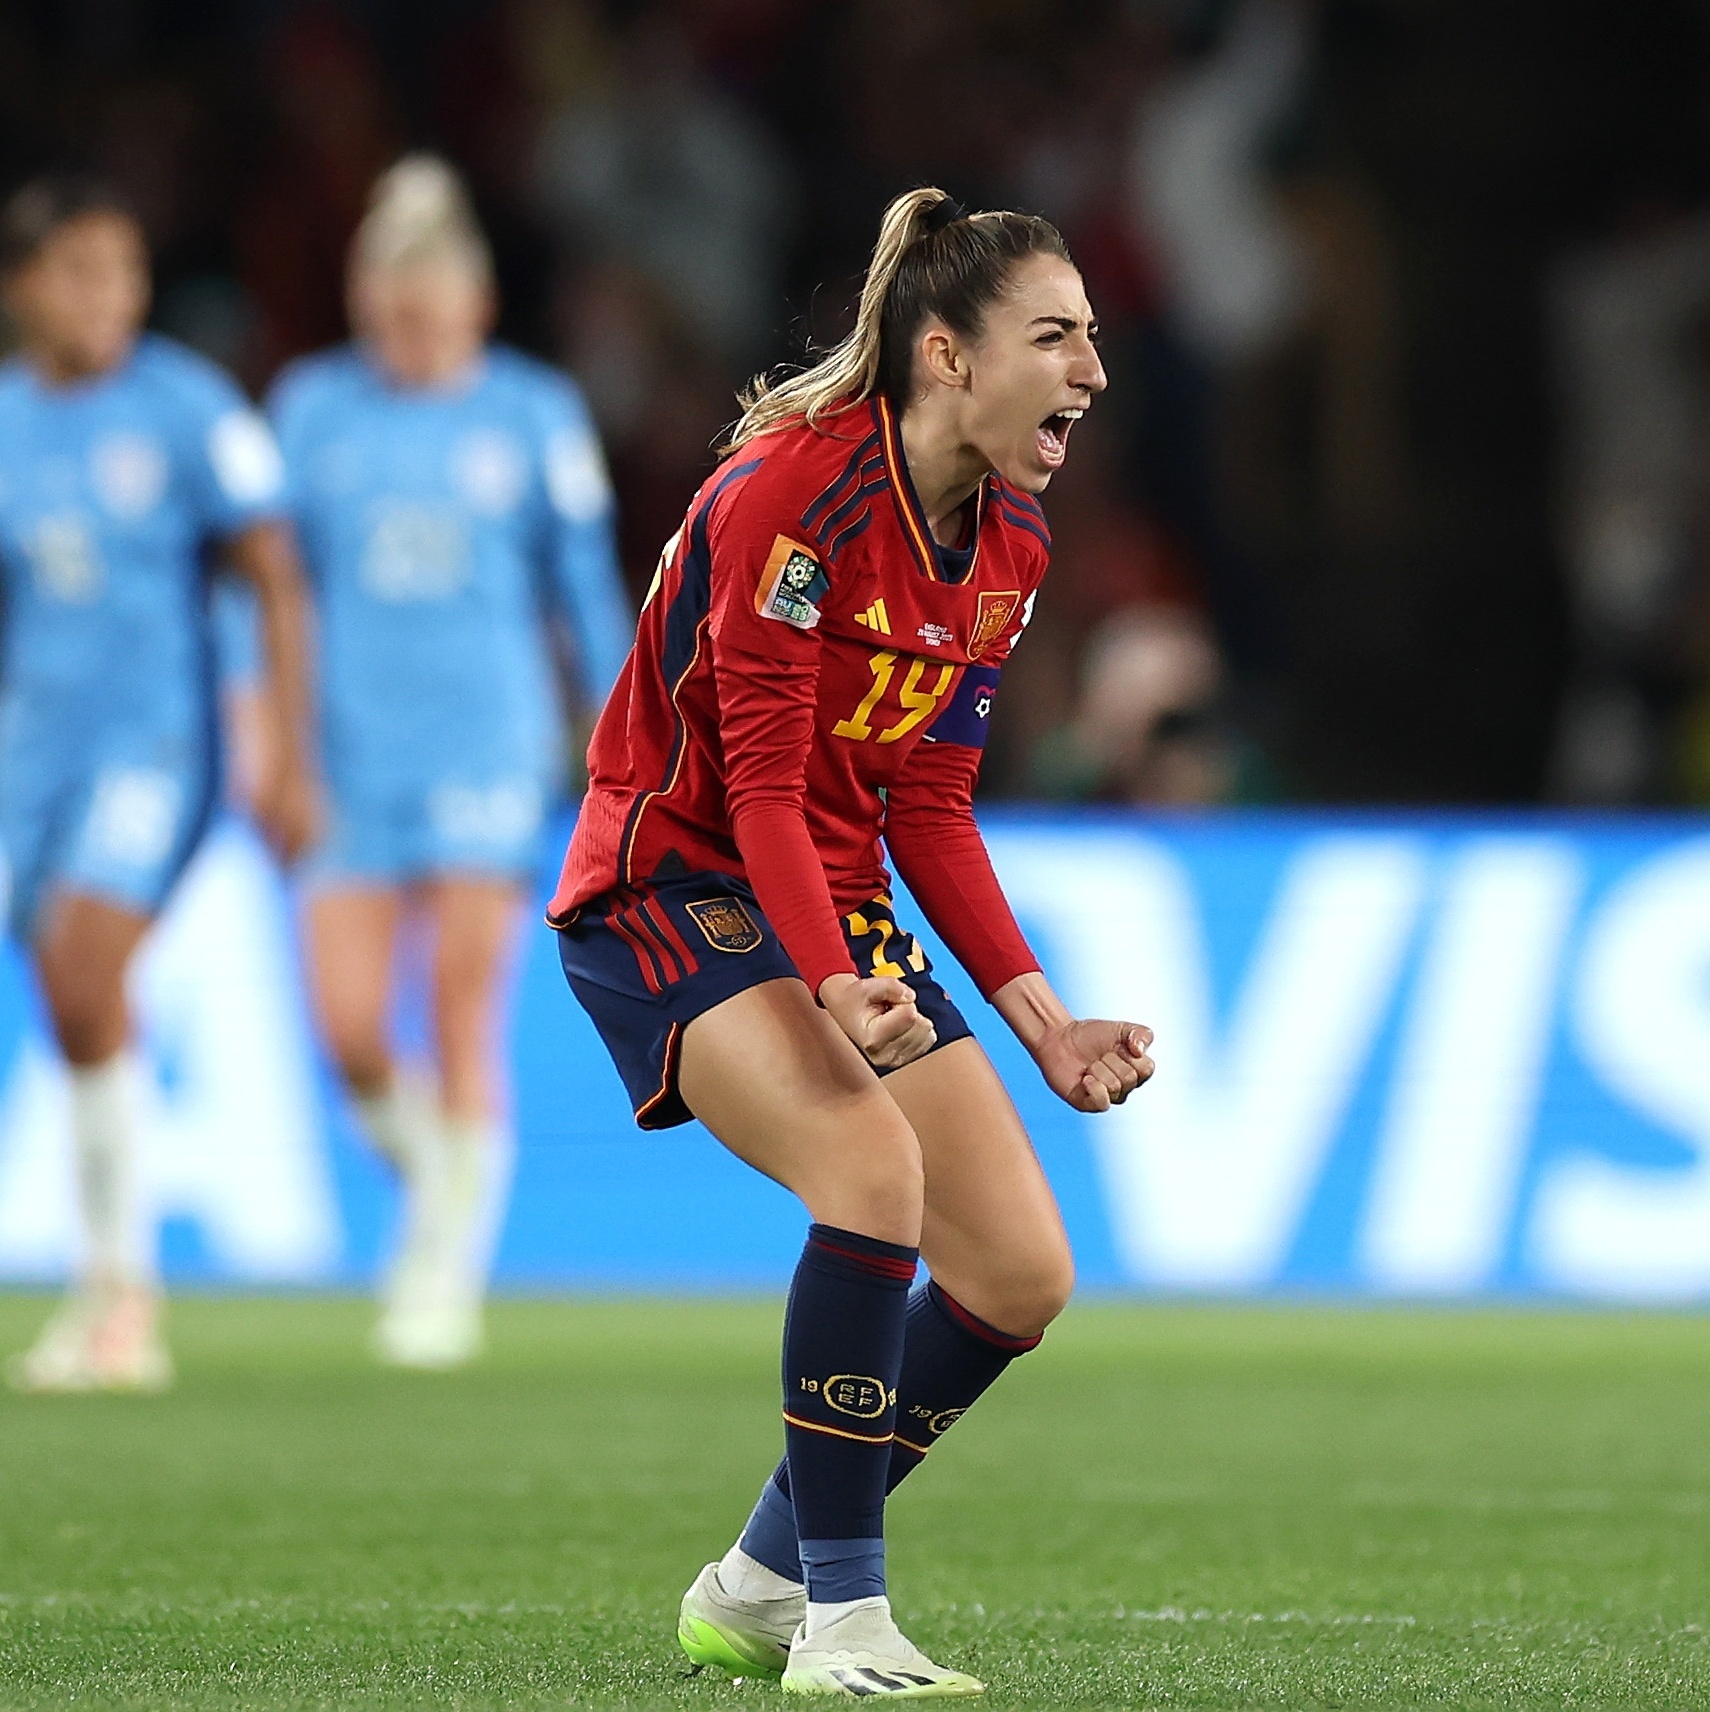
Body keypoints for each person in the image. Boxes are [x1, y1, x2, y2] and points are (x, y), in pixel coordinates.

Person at [548, 187, 1155, 1697]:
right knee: (870, 1174)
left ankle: (756, 1581)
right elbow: (752, 785)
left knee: (1016, 1274)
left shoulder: (1006, 541)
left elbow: (931, 805)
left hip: (828, 898)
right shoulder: (786, 499)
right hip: (671, 881)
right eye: (1055, 337)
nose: (1091, 371)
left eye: (1090, 339)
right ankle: (844, 1623)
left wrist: (1044, 1023)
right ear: (945, 355)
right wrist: (829, 983)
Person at [271, 156, 632, 1370]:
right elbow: (267, 593)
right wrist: (268, 732)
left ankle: (445, 1274)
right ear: (365, 301)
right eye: (393, 306)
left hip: (485, 737)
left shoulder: (532, 415)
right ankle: (438, 1182)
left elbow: (580, 587)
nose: (413, 331)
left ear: (474, 305)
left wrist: (626, 730)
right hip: (347, 748)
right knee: (350, 1027)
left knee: (462, 1003)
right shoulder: (312, 409)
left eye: (433, 308)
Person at [0, 175, 319, 1392]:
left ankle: (120, 1298)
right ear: (25, 286)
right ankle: (108, 1287)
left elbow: (275, 573)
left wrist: (286, 746)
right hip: (37, 755)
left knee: (86, 965)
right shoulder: (12, 419)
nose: (108, 298)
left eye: (124, 273)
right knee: (72, 999)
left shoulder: (185, 406)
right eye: (81, 273)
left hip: (158, 747)